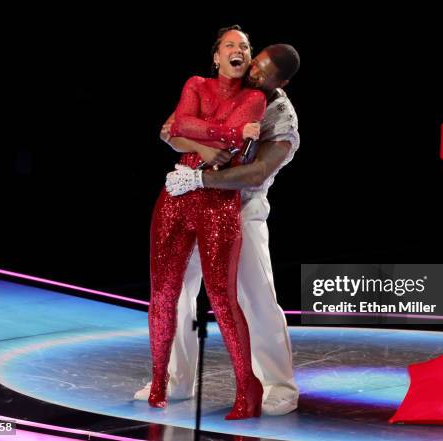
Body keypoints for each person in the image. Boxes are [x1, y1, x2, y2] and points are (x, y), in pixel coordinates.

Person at [137, 43, 301, 416]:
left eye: (264, 72)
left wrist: (200, 178)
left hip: (242, 210)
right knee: (176, 291)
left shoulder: (283, 118)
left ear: (283, 82)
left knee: (255, 298)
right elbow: (169, 130)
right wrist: (204, 147)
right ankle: (177, 380)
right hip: (193, 203)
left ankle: (279, 386)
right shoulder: (226, 85)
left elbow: (257, 171)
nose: (254, 73)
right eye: (254, 63)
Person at [147, 25, 266, 420]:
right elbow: (178, 127)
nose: (239, 50)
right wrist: (220, 136)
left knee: (222, 299)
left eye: (244, 46)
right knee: (163, 294)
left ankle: (247, 388)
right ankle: (159, 381)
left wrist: (198, 135)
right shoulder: (195, 84)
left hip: (219, 201)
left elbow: (216, 143)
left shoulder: (254, 98)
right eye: (230, 45)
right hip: (177, 194)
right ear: (216, 56)